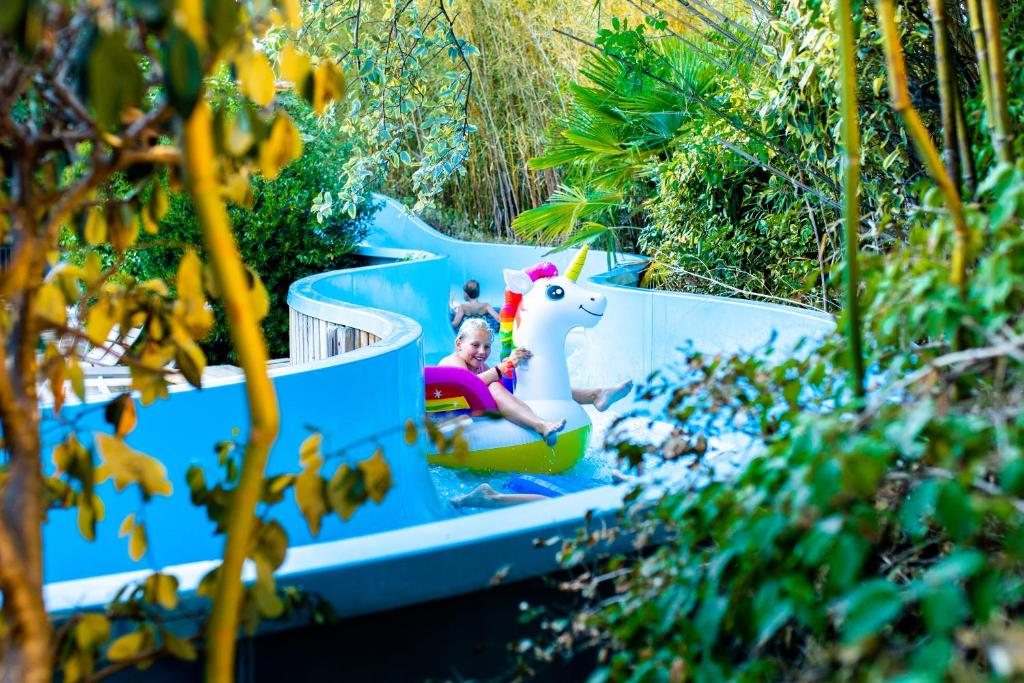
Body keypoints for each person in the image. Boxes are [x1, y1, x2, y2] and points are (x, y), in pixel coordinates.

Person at [440, 318, 566, 444]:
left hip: (466, 414)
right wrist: (505, 366)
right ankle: (540, 425)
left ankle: (540, 424)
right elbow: (467, 384)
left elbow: (503, 395)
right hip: (443, 416)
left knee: (495, 386)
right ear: (458, 344)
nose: (482, 352)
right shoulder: (453, 360)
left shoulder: (483, 368)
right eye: (475, 345)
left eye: (487, 346)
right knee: (493, 385)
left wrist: (510, 372)